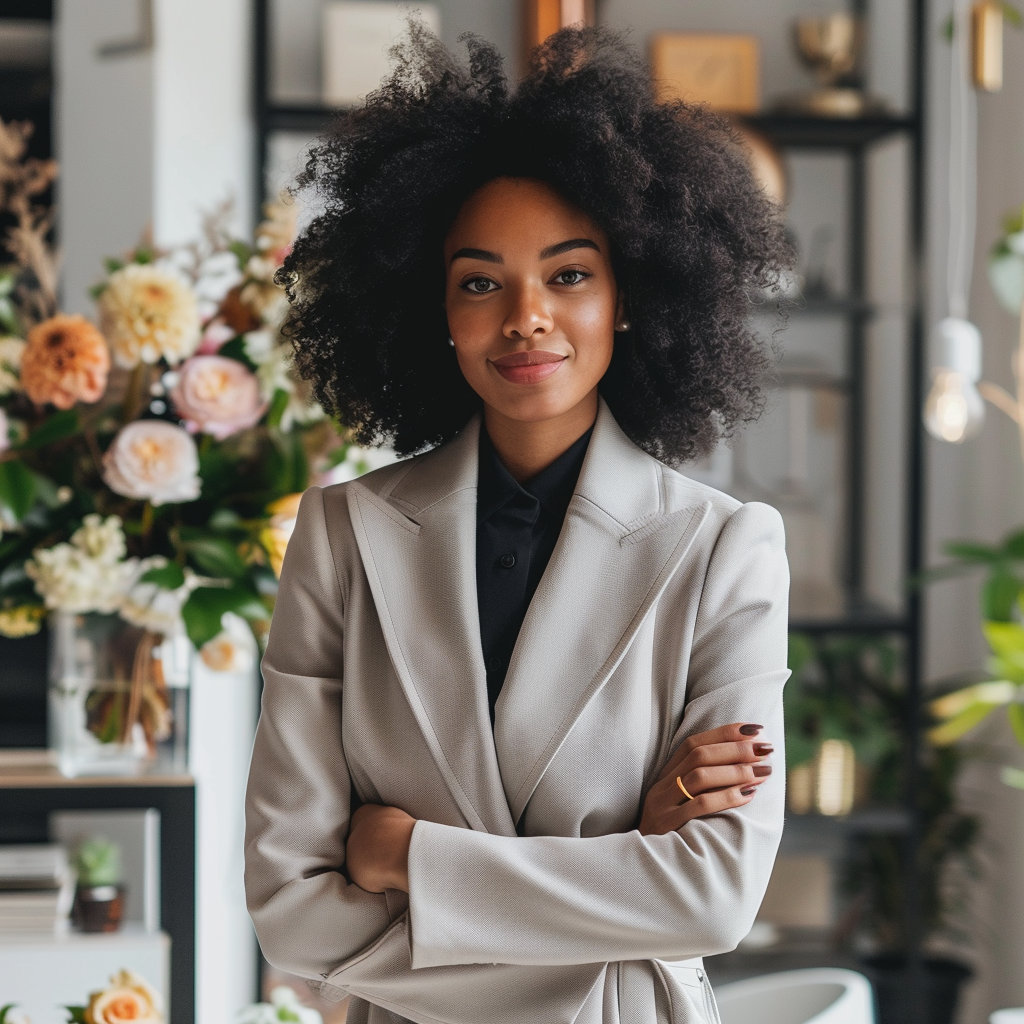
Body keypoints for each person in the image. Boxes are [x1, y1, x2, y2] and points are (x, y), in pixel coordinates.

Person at [244, 24, 792, 1024]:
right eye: (480, 282)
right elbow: (290, 912)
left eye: (570, 275)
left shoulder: (723, 550)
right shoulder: (342, 536)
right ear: (436, 311)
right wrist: (618, 868)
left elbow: (713, 897)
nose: (526, 316)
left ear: (630, 296)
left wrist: (402, 855)